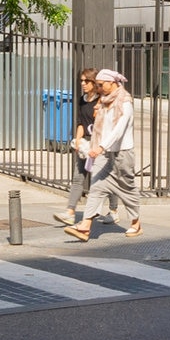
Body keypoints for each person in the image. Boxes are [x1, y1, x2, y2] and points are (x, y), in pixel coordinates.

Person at [66, 69, 141, 241]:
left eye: (101, 85)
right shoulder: (104, 102)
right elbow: (101, 128)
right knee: (97, 186)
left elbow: (118, 130)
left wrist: (100, 147)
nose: (98, 88)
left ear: (112, 83)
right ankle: (85, 226)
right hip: (104, 153)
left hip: (122, 153)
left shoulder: (125, 103)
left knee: (127, 188)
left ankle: (136, 222)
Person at [51, 68, 100, 227]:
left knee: (104, 179)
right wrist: (78, 141)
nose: (83, 84)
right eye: (81, 81)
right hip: (85, 142)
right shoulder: (82, 100)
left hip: (99, 143)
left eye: (86, 81)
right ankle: (70, 212)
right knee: (78, 177)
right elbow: (81, 123)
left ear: (94, 82)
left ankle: (113, 210)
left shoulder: (101, 101)